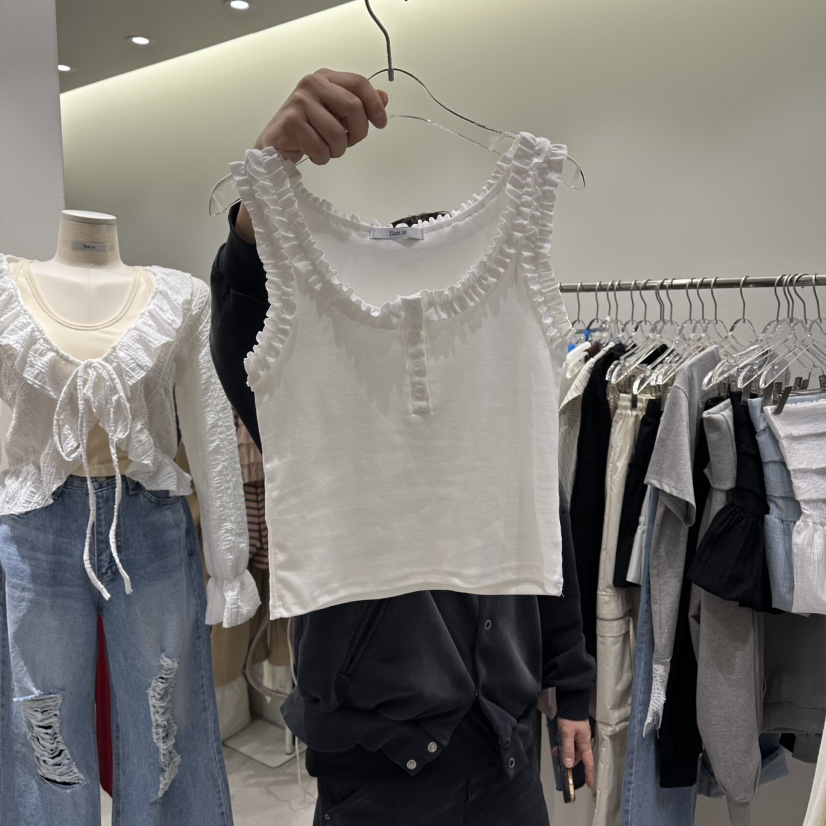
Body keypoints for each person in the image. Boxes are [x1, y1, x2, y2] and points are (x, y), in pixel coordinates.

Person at [210, 68, 595, 826]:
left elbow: (544, 524)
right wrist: (263, 191)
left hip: (507, 742)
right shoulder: (319, 355)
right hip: (376, 762)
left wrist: (572, 683)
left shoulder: (503, 358)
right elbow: (244, 328)